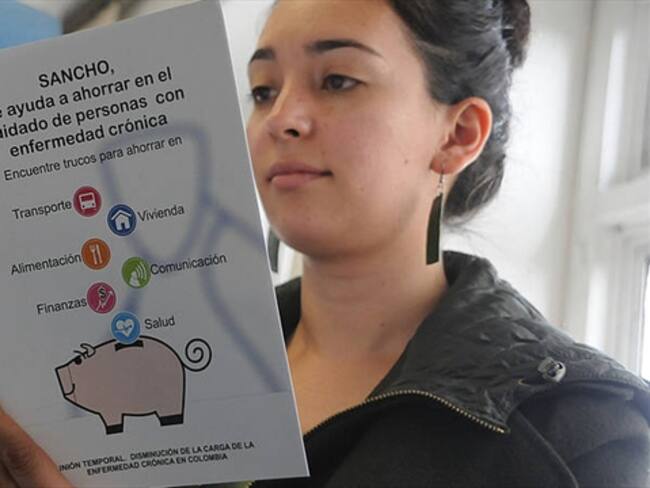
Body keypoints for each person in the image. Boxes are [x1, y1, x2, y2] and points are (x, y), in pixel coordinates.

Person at [0, 0, 648, 487]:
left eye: (337, 80)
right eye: (263, 90)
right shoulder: (180, 357)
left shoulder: (579, 435)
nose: (280, 117)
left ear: (457, 135)